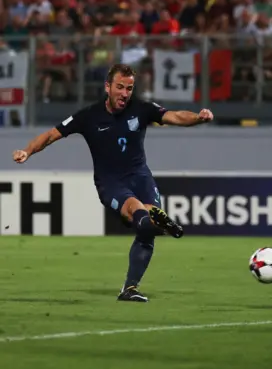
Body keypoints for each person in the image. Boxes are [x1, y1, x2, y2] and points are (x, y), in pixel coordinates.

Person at [12, 64, 214, 303]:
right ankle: (153, 219)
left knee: (146, 231)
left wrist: (198, 118)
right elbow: (50, 135)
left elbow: (175, 116)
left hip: (141, 177)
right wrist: (27, 151)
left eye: (129, 88)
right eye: (120, 87)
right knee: (140, 214)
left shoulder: (141, 108)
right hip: (111, 183)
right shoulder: (88, 116)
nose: (125, 93)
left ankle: (130, 288)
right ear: (108, 87)